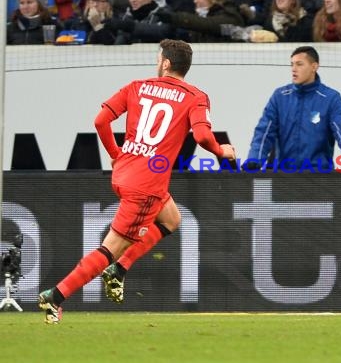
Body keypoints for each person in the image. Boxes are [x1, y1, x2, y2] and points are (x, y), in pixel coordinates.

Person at [38, 39, 236, 324]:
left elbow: (100, 121)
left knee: (172, 219)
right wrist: (222, 150)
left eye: (159, 58)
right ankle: (55, 297)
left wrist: (116, 155)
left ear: (166, 63)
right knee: (111, 248)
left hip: (125, 172)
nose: (157, 62)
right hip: (147, 185)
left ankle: (119, 270)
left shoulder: (137, 86)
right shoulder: (196, 97)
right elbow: (203, 137)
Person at [244, 46, 341, 172]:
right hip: (284, 176)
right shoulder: (280, 96)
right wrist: (254, 159)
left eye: (299, 64)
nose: (294, 69)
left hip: (320, 177)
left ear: (314, 67)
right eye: (292, 64)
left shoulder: (331, 98)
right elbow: (264, 132)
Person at [156, 0, 245, 43]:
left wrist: (174, 17)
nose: (195, 1)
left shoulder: (231, 17)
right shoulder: (200, 17)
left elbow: (208, 24)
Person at [103, 0, 174, 44]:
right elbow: (119, 45)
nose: (132, 0)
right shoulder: (127, 16)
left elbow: (162, 32)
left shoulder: (165, 13)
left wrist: (130, 26)